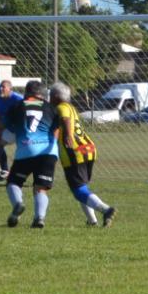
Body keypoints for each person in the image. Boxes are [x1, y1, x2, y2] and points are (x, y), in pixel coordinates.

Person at [0, 79, 59, 229]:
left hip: (26, 149)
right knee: (40, 187)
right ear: (42, 95)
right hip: (48, 151)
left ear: (26, 93)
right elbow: (56, 130)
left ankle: (18, 203)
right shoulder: (51, 108)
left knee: (13, 182)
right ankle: (39, 218)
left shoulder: (16, 106)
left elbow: (8, 131)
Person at [49, 82, 117, 227]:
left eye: (50, 96)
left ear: (56, 96)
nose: (49, 99)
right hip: (89, 148)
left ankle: (105, 210)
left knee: (78, 190)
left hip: (75, 151)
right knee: (83, 188)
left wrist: (67, 135)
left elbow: (66, 119)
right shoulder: (72, 108)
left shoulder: (62, 107)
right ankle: (92, 221)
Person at [0, 80, 17, 182]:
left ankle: (36, 173)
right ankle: (5, 171)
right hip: (10, 130)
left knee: (26, 152)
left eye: (4, 87)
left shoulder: (18, 99)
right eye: (0, 87)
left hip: (22, 131)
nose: (1, 89)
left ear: (10, 89)